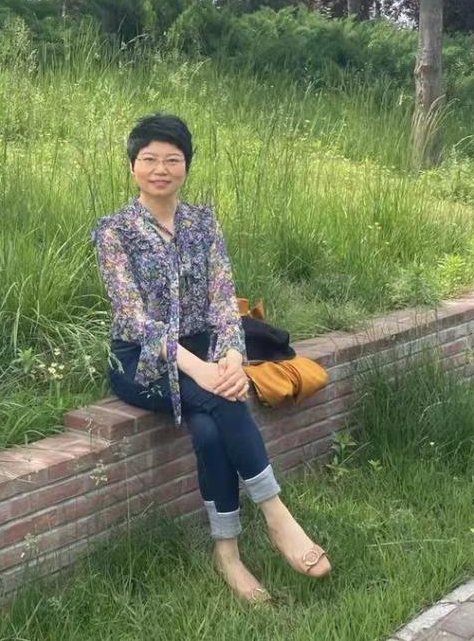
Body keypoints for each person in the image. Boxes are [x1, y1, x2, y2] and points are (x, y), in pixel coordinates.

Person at [90, 113, 331, 604]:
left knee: (209, 427)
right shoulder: (114, 230)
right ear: (133, 166)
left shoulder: (203, 223)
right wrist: (199, 369)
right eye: (149, 159)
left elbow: (224, 299)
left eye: (172, 159)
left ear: (187, 165)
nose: (160, 169)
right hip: (142, 362)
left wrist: (233, 357)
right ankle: (276, 514)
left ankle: (227, 554)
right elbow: (133, 317)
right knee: (222, 402)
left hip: (205, 351)